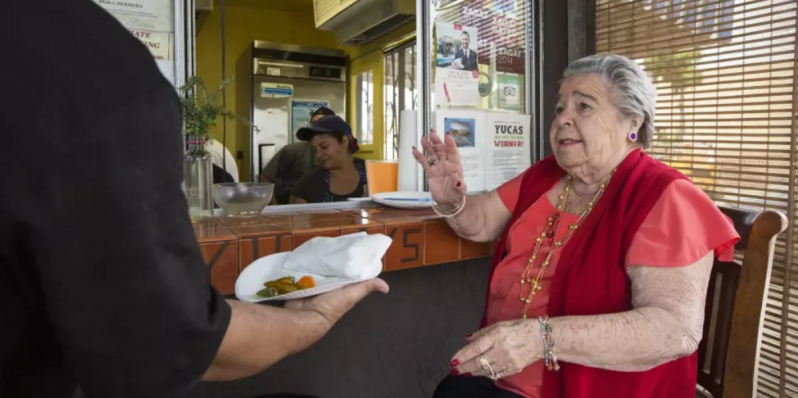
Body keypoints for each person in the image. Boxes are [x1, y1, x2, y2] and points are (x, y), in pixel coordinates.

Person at [1, 1, 387, 397]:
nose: (320, 151)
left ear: (346, 143)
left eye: (327, 143)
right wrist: (314, 318)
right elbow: (161, 339)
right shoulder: (94, 70)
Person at [415, 54, 739, 398]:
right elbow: (479, 224)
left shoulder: (662, 196)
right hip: (501, 378)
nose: (563, 119)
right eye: (560, 108)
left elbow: (674, 330)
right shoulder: (546, 176)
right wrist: (452, 200)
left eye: (583, 107)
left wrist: (540, 338)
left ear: (632, 121)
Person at [260, 107, 335, 204]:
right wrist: (275, 208)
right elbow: (266, 178)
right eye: (313, 123)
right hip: (291, 211)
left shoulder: (341, 154)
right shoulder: (293, 151)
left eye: (321, 122)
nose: (316, 127)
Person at [289, 116, 368, 204]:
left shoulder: (372, 173)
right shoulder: (309, 181)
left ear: (344, 142)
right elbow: (297, 214)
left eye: (324, 147)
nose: (318, 155)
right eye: (314, 150)